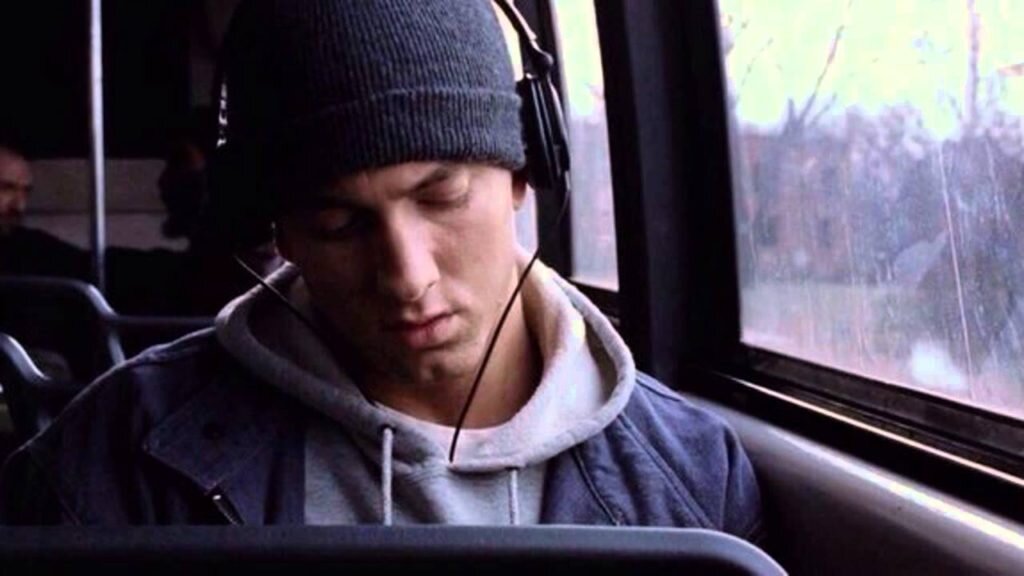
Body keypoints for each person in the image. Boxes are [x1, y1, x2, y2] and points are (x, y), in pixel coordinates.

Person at [0, 0, 763, 540]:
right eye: (338, 224)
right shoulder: (115, 457)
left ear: (524, 171)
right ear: (279, 233)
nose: (406, 276)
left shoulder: (692, 473)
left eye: (442, 197)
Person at [0, 145, 88, 280]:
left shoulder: (32, 248)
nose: (20, 206)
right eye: (6, 188)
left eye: (26, 192)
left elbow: (85, 264)